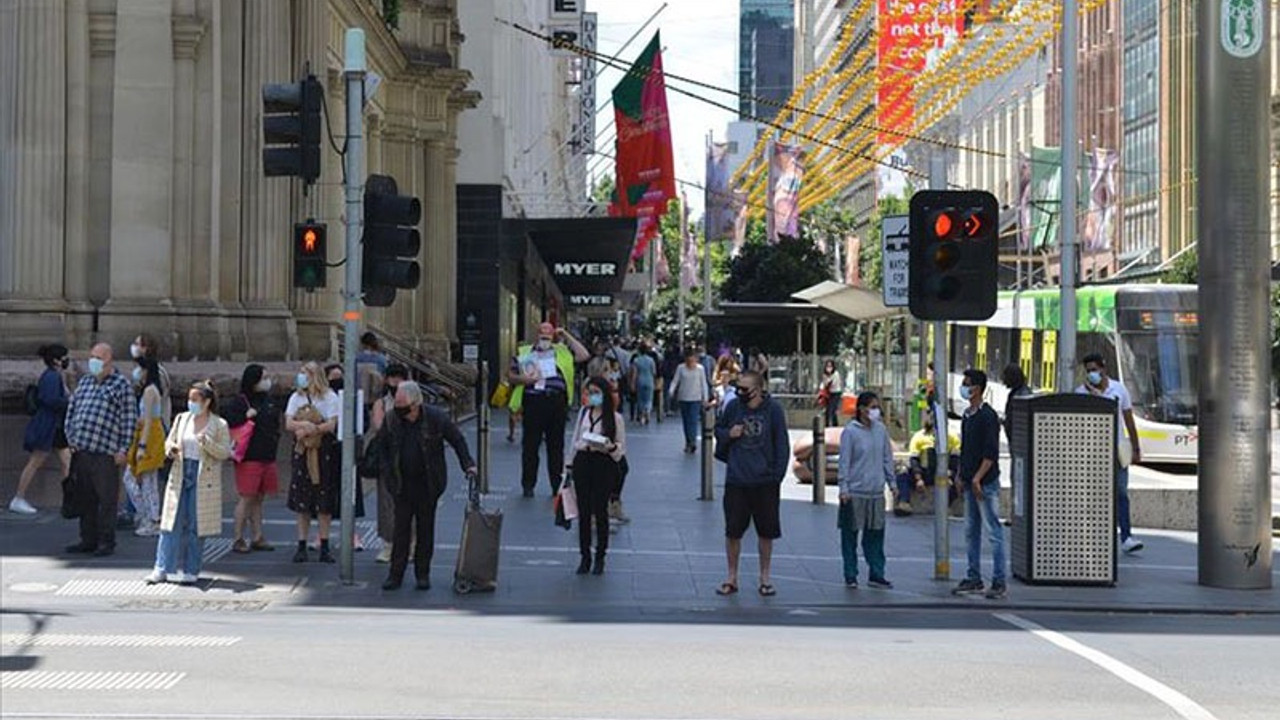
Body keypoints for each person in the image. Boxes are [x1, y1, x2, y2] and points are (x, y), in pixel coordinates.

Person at [369, 381, 475, 591]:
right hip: (401, 484)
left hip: (428, 483)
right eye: (397, 403)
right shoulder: (392, 420)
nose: (398, 408)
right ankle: (395, 574)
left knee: (426, 529)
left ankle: (422, 573)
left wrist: (468, 465)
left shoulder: (435, 418)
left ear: (415, 404)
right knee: (401, 530)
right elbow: (380, 446)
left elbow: (457, 439)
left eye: (402, 404)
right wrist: (387, 471)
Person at [144, 382, 231, 585]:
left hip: (203, 476)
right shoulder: (182, 419)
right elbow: (169, 442)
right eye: (189, 399)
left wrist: (207, 442)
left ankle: (192, 569)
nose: (190, 403)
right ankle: (161, 567)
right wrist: (171, 449)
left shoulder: (219, 424)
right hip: (180, 472)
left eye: (195, 400)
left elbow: (224, 452)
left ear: (207, 402)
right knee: (170, 522)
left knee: (196, 524)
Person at [713, 371, 789, 597]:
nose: (740, 393)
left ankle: (765, 577)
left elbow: (781, 443)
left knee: (766, 531)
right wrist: (729, 434)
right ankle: (731, 576)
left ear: (758, 389)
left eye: (745, 389)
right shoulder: (734, 407)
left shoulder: (773, 410)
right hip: (737, 479)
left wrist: (776, 476)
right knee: (733, 531)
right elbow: (719, 430)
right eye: (738, 388)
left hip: (765, 481)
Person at [63, 343, 137, 556]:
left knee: (106, 500)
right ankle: (87, 539)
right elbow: (72, 409)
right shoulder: (85, 381)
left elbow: (129, 420)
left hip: (106, 453)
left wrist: (124, 448)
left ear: (109, 360)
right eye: (92, 356)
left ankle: (106, 542)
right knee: (85, 498)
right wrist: (71, 437)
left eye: (98, 357)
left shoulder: (121, 385)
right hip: (82, 450)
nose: (93, 361)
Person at [507, 321, 590, 498]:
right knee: (530, 446)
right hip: (533, 401)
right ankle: (528, 484)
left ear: (553, 336)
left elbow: (584, 355)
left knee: (556, 446)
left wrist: (566, 335)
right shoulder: (525, 352)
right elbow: (510, 375)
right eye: (542, 334)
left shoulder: (562, 351)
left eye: (548, 335)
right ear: (536, 335)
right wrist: (525, 380)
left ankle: (556, 485)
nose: (544, 338)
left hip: (556, 402)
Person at [1076, 353, 1144, 553]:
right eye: (1088, 371)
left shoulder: (1119, 389)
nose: (1092, 374)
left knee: (1121, 492)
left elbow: (1129, 419)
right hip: (1092, 452)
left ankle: (1126, 536)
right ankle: (1094, 535)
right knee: (1094, 495)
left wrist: (1136, 448)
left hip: (1117, 449)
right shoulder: (1081, 392)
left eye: (1094, 370)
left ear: (1103, 369)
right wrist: (1093, 395)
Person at [952, 369, 1007, 600]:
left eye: (967, 384)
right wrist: (960, 474)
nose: (964, 387)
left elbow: (990, 452)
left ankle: (998, 580)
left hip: (986, 483)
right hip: (969, 480)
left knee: (993, 531)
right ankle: (973, 576)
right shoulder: (967, 415)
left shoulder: (988, 416)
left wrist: (977, 478)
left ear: (978, 388)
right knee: (970, 531)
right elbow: (967, 450)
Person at [837, 391, 896, 589]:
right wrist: (843, 487)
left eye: (876, 407)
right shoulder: (850, 432)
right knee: (850, 535)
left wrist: (892, 483)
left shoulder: (881, 430)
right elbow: (844, 462)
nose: (875, 411)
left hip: (875, 492)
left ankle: (876, 573)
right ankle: (850, 573)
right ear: (861, 409)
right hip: (855, 492)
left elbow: (887, 458)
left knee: (875, 535)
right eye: (872, 407)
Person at [221, 365, 282, 554]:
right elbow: (229, 421)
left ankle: (257, 536)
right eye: (263, 377)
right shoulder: (241, 402)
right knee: (247, 497)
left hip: (267, 454)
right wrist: (244, 417)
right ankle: (238, 537)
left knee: (258, 498)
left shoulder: (268, 400)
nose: (267, 381)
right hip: (249, 457)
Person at [569, 377, 627, 575]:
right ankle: (584, 556)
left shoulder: (616, 419)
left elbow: (620, 450)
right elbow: (575, 439)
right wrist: (568, 465)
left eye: (595, 392)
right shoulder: (583, 413)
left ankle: (600, 555)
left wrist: (609, 446)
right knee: (584, 512)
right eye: (589, 392)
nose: (591, 396)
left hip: (603, 463)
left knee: (600, 511)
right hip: (583, 461)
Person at [285, 362, 341, 563]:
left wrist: (313, 429)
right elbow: (288, 422)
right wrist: (304, 425)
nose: (301, 377)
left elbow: (332, 423)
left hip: (323, 450)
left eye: (304, 373)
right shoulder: (296, 397)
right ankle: (301, 544)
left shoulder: (329, 397)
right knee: (302, 500)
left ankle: (324, 545)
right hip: (302, 449)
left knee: (324, 499)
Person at [12, 345, 72, 514]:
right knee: (37, 461)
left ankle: (70, 499)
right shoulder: (52, 377)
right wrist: (68, 402)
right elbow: (50, 400)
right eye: (64, 357)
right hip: (49, 426)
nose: (67, 360)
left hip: (54, 426)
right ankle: (19, 497)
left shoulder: (54, 376)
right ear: (56, 360)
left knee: (67, 461)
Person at [370, 363, 409, 563]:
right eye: (392, 378)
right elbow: (380, 427)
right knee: (386, 503)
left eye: (399, 378)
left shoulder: (413, 401)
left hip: (410, 459)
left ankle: (410, 544)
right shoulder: (381, 403)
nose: (396, 382)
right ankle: (389, 544)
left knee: (409, 502)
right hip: (387, 460)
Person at [123, 356, 166, 537]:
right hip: (149, 434)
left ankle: (150, 517)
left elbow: (148, 421)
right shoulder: (151, 389)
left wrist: (141, 446)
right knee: (147, 481)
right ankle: (150, 516)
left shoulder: (149, 391)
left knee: (139, 480)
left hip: (149, 437)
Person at [324, 363, 364, 550]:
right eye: (333, 377)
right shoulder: (323, 398)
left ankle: (352, 535)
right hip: (327, 450)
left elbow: (363, 420)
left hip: (348, 448)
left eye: (340, 376)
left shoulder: (353, 397)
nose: (337, 381)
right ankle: (321, 534)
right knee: (325, 492)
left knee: (351, 492)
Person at [895, 413, 960, 516]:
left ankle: (947, 505)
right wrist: (918, 478)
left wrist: (951, 475)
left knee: (959, 479)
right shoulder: (919, 436)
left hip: (943, 473)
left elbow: (955, 460)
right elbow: (914, 460)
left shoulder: (952, 437)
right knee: (902, 475)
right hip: (924, 473)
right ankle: (904, 502)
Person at [668, 349, 711, 453]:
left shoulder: (700, 369)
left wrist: (705, 398)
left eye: (693, 360)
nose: (691, 363)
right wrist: (671, 391)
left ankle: (692, 442)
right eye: (688, 361)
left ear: (696, 360)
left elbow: (703, 384)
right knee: (686, 421)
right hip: (683, 398)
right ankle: (688, 440)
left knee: (693, 420)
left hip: (695, 398)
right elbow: (675, 380)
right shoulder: (681, 368)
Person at [1000, 363, 1033, 448]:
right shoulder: (1015, 393)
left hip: (1019, 441)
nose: (1003, 380)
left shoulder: (1021, 395)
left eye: (1005, 377)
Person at [629, 343, 657, 426]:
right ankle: (647, 412)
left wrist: (632, 384)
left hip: (640, 381)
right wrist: (655, 382)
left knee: (640, 399)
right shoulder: (651, 360)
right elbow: (654, 372)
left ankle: (641, 416)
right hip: (649, 380)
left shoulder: (636, 360)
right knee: (649, 399)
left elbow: (634, 373)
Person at [819, 359, 844, 428]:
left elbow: (833, 383)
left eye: (830, 366)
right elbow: (824, 383)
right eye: (827, 366)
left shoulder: (836, 374)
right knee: (828, 410)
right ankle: (827, 425)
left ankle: (834, 425)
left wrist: (828, 382)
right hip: (828, 393)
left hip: (836, 393)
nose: (829, 368)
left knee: (832, 409)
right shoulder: (825, 375)